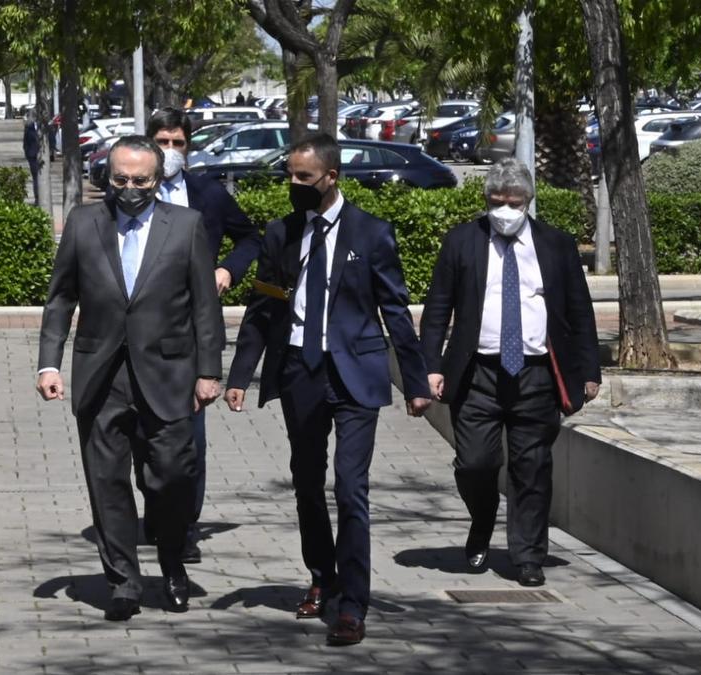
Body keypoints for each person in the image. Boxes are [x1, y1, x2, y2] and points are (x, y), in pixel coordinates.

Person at [224, 133, 433, 646]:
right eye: (289, 176)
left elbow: (395, 313)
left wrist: (415, 381)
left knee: (350, 486)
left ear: (331, 177)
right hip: (300, 371)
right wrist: (238, 376)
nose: (293, 185)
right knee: (306, 481)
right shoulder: (281, 234)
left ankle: (352, 605)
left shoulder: (371, 233)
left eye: (303, 178)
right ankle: (322, 575)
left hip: (356, 373)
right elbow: (263, 308)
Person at [36, 135, 224, 621]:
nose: (130, 187)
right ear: (108, 177)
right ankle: (123, 582)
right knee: (107, 483)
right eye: (120, 178)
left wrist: (208, 371)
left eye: (140, 179)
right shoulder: (83, 224)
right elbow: (60, 299)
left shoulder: (185, 226)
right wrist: (49, 362)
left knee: (170, 478)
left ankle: (171, 563)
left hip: (168, 375)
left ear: (157, 180)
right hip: (102, 375)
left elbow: (205, 305)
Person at [419, 158, 601, 588]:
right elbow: (437, 309)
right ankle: (482, 519)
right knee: (475, 464)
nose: (504, 210)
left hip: (536, 374)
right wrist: (429, 367)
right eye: (497, 202)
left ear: (528, 202)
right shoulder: (462, 242)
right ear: (486, 202)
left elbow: (580, 311)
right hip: (477, 373)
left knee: (532, 466)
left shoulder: (555, 245)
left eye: (513, 202)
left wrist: (588, 369)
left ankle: (528, 556)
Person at [140, 107, 262, 565]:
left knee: (191, 434)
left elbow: (251, 236)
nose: (170, 152)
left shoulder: (207, 194)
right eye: (163, 142)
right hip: (144, 331)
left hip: (194, 331)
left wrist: (229, 269)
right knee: (144, 433)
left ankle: (186, 526)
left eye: (178, 143)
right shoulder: (132, 192)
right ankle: (157, 508)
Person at [22, 111, 41, 205]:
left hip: (42, 157)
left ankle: (41, 197)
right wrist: (28, 154)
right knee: (36, 177)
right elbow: (25, 143)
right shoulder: (28, 128)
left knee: (41, 177)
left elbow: (51, 138)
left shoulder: (43, 126)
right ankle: (37, 198)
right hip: (32, 156)